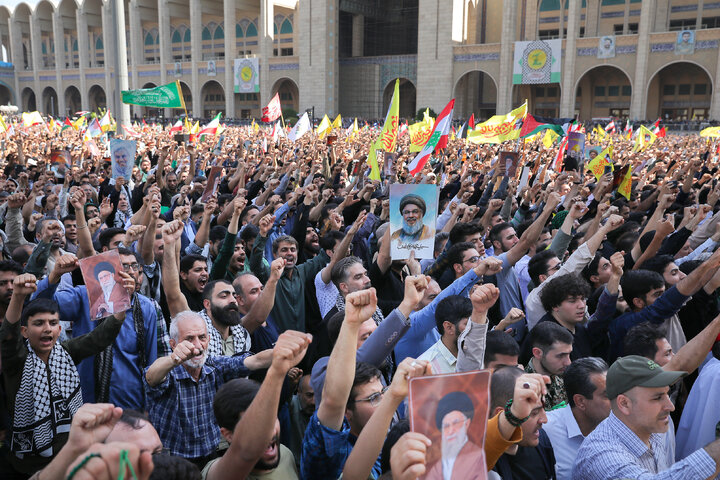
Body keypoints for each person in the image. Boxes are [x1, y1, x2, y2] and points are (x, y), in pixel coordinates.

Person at [0, 274, 127, 474]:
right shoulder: (16, 360)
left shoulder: (65, 352)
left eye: (52, 323)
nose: (47, 329)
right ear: (24, 331)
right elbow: (8, 335)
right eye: (39, 323)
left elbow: (98, 339)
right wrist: (17, 296)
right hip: (27, 465)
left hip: (68, 456)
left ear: (60, 329)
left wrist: (120, 310)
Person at [144, 311, 271, 466]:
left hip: (210, 455)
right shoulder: (167, 370)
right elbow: (151, 377)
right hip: (173, 461)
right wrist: (172, 359)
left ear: (209, 339)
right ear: (173, 344)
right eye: (189, 339)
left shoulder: (214, 365)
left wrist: (280, 353)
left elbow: (254, 361)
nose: (197, 346)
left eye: (202, 337)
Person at [573, 355, 720, 479]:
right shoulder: (601, 455)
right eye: (657, 398)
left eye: (667, 394)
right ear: (624, 403)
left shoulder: (656, 428)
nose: (670, 407)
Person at [544, 358, 610, 480]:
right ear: (580, 401)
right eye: (607, 396)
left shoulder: (620, 427)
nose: (616, 400)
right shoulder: (545, 430)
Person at [425, 391, 485, 479]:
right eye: (446, 426)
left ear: (467, 424)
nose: (450, 431)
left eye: (455, 423)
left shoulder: (476, 456)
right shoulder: (439, 458)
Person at [524, 321, 573, 410]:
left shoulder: (563, 376)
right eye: (560, 356)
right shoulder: (523, 388)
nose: (568, 362)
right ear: (538, 353)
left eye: (569, 354)